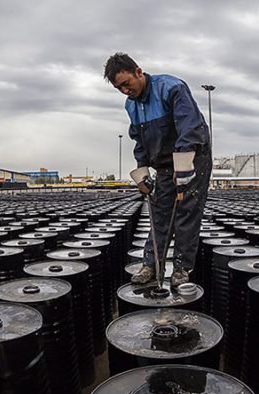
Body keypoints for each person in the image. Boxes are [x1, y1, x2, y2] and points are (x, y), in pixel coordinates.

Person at [104, 52, 212, 286]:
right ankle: (151, 265)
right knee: (160, 214)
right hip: (164, 163)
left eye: (126, 84)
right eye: (119, 88)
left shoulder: (171, 88)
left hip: (193, 157)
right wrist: (142, 171)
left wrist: (183, 168)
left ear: (139, 73)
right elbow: (139, 139)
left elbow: (189, 127)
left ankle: (182, 269)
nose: (125, 91)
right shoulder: (131, 105)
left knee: (185, 214)